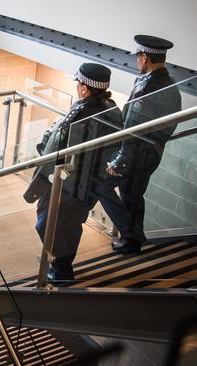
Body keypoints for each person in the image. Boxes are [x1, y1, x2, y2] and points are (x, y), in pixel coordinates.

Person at [23, 63, 122, 281]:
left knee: (46, 223)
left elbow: (57, 149)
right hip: (90, 186)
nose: (77, 86)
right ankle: (64, 265)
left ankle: (61, 269)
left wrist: (38, 183)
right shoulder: (112, 109)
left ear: (85, 88)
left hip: (66, 183)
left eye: (78, 82)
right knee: (72, 223)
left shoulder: (80, 115)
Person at [104, 35, 182, 254]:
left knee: (106, 186)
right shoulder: (169, 83)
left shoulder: (148, 87)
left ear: (145, 57)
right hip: (150, 152)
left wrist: (120, 160)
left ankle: (131, 239)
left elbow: (132, 128)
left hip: (138, 154)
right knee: (133, 195)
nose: (137, 61)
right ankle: (133, 238)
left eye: (138, 57)